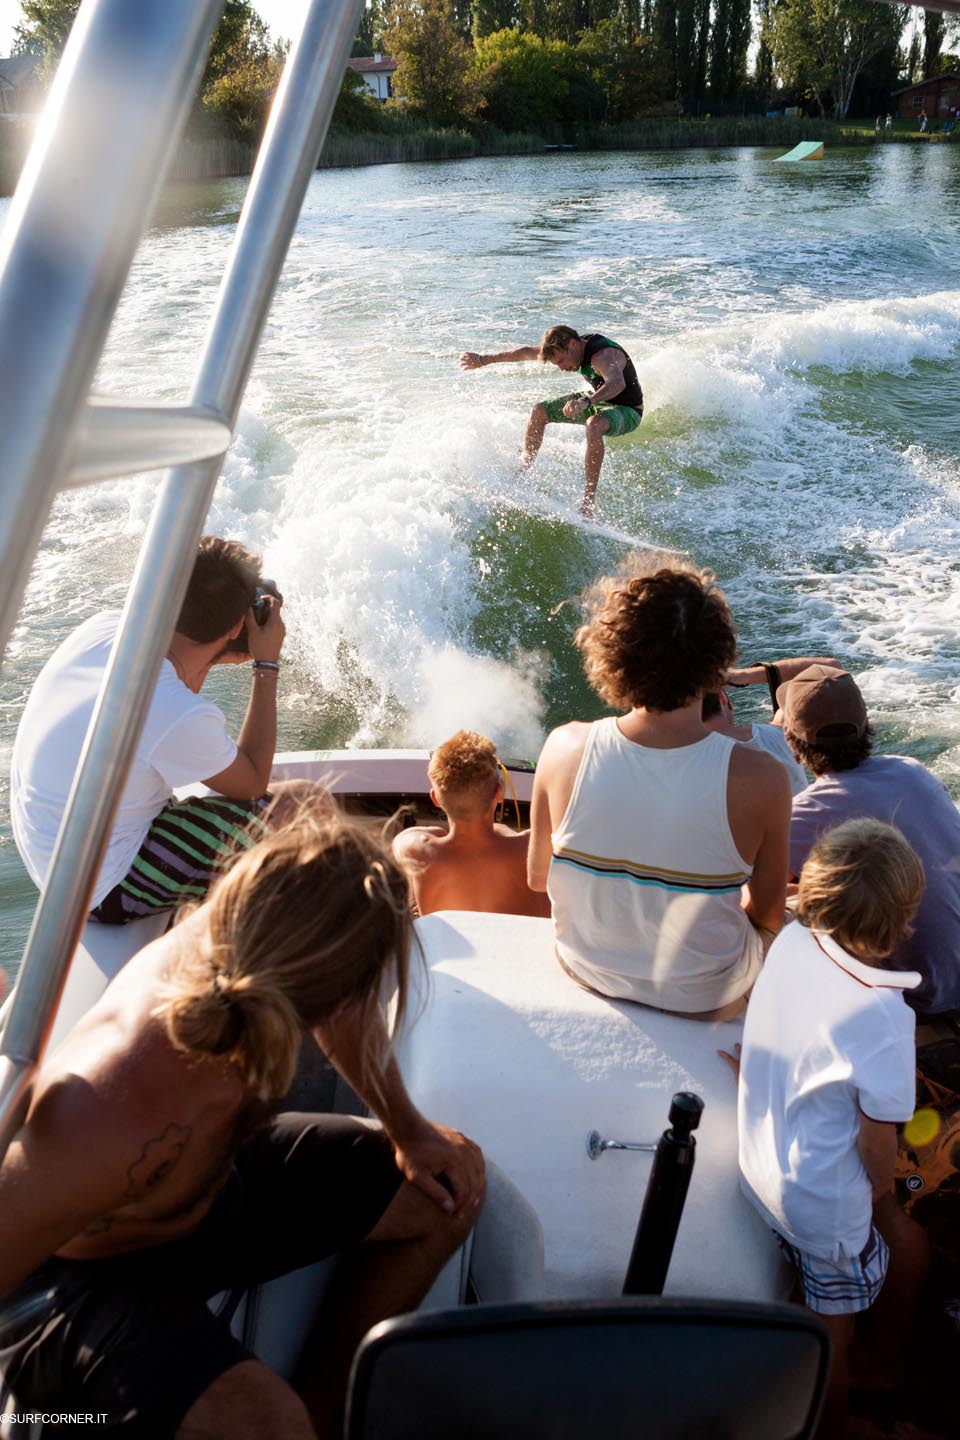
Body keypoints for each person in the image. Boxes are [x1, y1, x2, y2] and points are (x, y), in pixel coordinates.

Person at [0, 812, 485, 1439]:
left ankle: (328, 1411)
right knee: (268, 1424)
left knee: (444, 1191)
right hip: (72, 1282)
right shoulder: (110, 1109)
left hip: (197, 1195)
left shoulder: (263, 937)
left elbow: (348, 1012)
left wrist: (408, 1132)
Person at [725, 819, 929, 1439]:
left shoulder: (790, 941)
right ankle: (843, 1416)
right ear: (902, 918)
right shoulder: (884, 1018)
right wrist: (881, 1196)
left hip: (761, 1169)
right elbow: (876, 1144)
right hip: (823, 1212)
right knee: (830, 1345)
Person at [528, 554, 791, 1019]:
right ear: (716, 662)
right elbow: (767, 916)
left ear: (613, 655)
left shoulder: (563, 746)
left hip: (585, 968)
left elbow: (536, 877)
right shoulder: (763, 776)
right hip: (707, 999)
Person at [10, 535, 321, 925]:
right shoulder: (173, 708)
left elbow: (171, 704)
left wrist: (217, 649)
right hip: (107, 885)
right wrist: (265, 665)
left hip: (57, 860)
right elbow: (252, 783)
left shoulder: (104, 627)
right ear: (234, 627)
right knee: (305, 804)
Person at [779, 664, 960, 1015]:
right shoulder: (912, 771)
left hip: (925, 996)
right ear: (866, 725)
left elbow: (754, 904)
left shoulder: (800, 816)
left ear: (792, 739)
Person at [459, 324, 643, 518]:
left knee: (594, 424)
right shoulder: (567, 347)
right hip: (596, 401)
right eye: (557, 364)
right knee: (539, 411)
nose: (561, 368)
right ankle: (524, 469)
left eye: (561, 361)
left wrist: (585, 401)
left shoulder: (603, 355)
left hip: (627, 410)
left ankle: (588, 504)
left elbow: (617, 383)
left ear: (573, 344)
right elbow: (525, 352)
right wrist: (483, 360)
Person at [392, 730, 551, 918]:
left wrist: (438, 833)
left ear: (435, 799)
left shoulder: (415, 849)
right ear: (499, 793)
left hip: (449, 938)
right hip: (515, 937)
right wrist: (504, 833)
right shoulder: (529, 848)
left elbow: (401, 840)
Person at [702, 655, 841, 797]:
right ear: (723, 698)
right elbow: (831, 670)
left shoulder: (692, 760)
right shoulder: (780, 733)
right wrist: (737, 676)